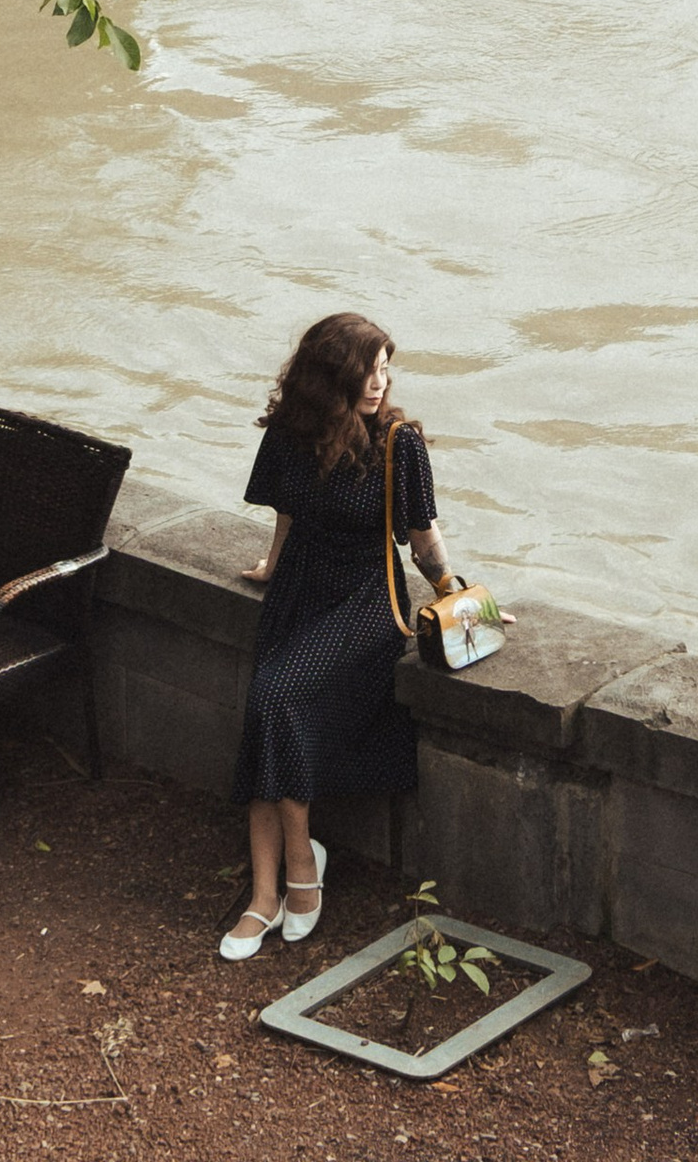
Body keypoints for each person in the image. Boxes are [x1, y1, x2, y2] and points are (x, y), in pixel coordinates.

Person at [221, 314, 459, 964]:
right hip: (298, 589)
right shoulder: (290, 434)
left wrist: (459, 595)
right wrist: (272, 565)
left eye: (387, 368)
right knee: (265, 712)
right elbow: (288, 512)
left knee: (273, 696)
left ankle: (301, 860)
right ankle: (264, 893)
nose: (380, 383)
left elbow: (422, 538)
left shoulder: (398, 443)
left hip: (363, 603)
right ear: (330, 377)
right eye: (368, 370)